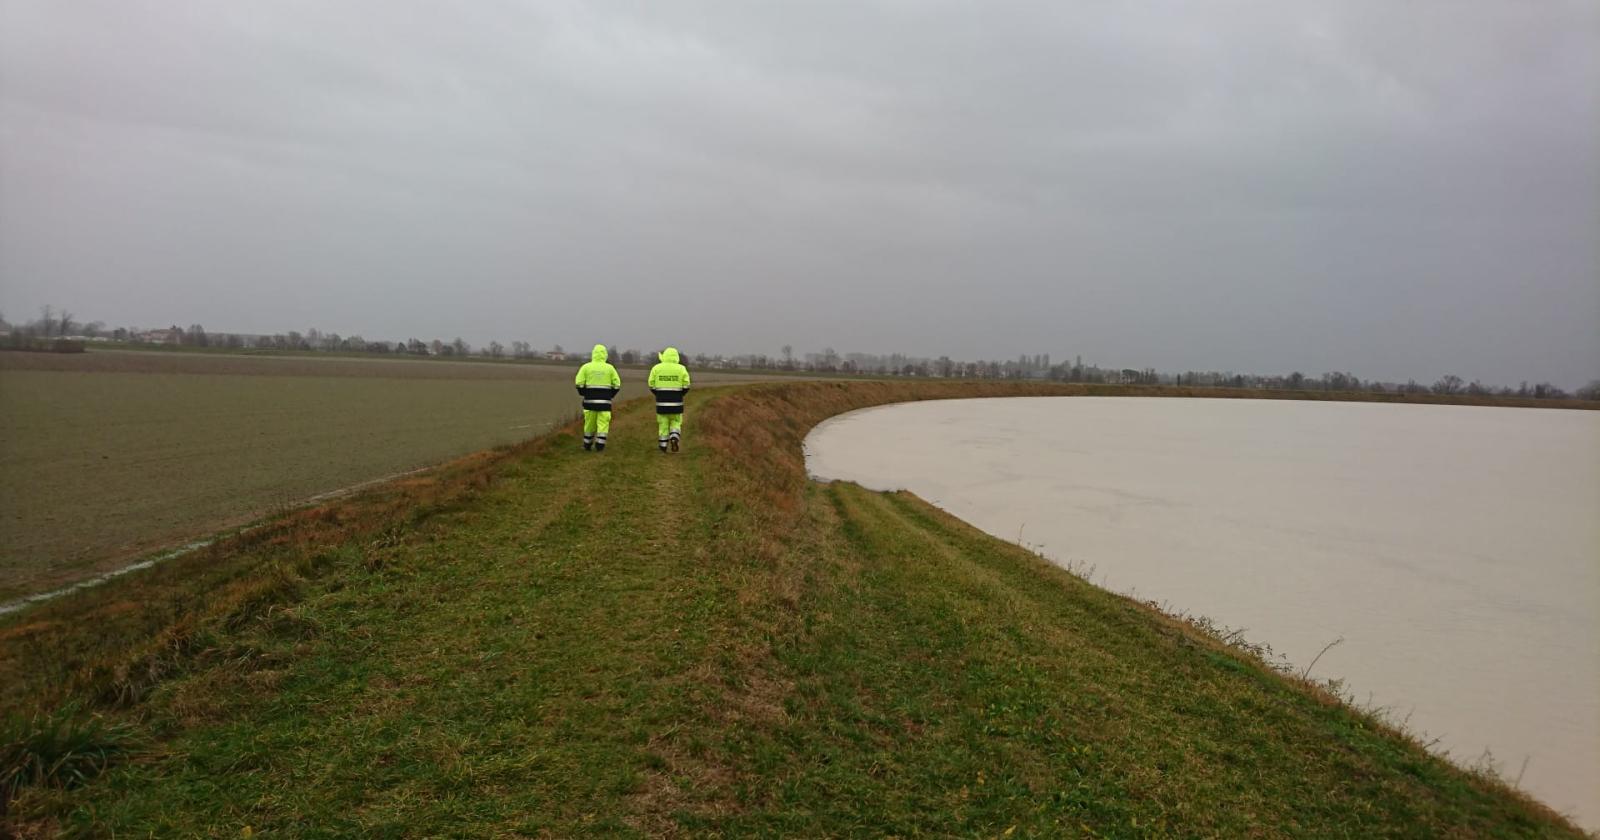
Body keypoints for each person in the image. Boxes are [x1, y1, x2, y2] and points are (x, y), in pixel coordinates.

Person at [574, 344, 621, 451]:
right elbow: (617, 384)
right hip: (605, 403)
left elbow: (579, 383)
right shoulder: (610, 368)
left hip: (589, 402)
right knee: (603, 425)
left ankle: (587, 445)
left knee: (589, 424)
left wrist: (583, 393)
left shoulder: (586, 367)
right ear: (605, 355)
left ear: (593, 354)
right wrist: (610, 395)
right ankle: (600, 446)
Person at [647, 347, 691, 453]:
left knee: (663, 424)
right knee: (676, 422)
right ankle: (674, 437)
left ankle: (663, 446)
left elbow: (651, 384)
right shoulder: (681, 369)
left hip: (661, 403)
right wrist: (681, 394)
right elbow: (687, 385)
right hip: (677, 403)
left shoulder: (656, 368)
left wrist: (658, 394)